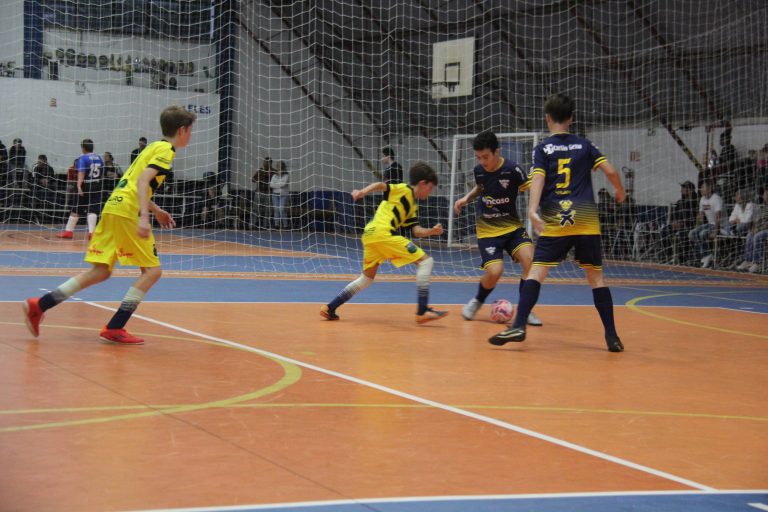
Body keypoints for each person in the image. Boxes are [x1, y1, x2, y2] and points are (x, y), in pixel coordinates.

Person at [23, 105, 196, 345]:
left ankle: (41, 305)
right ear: (182, 130)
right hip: (127, 212)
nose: (191, 135)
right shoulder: (166, 150)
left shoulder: (153, 146)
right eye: (191, 130)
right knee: (153, 272)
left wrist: (156, 210)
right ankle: (115, 326)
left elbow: (134, 183)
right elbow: (143, 180)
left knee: (101, 271)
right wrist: (144, 217)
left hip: (113, 206)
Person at [488, 93, 626, 352]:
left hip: (555, 218)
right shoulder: (585, 145)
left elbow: (538, 179)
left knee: (537, 272)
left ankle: (519, 325)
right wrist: (620, 191)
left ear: (547, 118)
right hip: (585, 220)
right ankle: (612, 336)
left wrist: (532, 210)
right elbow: (610, 170)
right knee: (596, 277)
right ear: (571, 118)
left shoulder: (543, 149)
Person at [320, 161, 448, 324]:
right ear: (422, 183)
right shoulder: (404, 189)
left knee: (366, 279)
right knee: (426, 262)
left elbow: (416, 231)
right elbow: (381, 185)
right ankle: (422, 311)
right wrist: (362, 192)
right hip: (383, 233)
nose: (430, 192)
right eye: (430, 188)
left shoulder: (411, 206)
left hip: (370, 234)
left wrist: (431, 231)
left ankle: (330, 308)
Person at [453, 131, 542, 326]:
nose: (482, 161)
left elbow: (532, 186)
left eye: (485, 157)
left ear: (497, 152)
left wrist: (539, 209)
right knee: (495, 271)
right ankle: (477, 301)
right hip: (488, 231)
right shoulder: (479, 171)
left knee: (531, 261)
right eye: (478, 157)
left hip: (512, 227)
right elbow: (480, 187)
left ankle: (525, 310)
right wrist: (466, 198)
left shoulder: (512, 169)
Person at [56, 139, 105, 240]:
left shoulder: (82, 158)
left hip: (85, 186)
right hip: (96, 186)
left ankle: (68, 232)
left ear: (83, 148)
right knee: (93, 210)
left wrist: (78, 186)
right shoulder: (99, 158)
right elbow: (102, 173)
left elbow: (81, 173)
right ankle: (91, 233)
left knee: (76, 208)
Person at [659, 181, 699, 263]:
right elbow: (674, 215)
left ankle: (683, 258)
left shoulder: (695, 202)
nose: (681, 190)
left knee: (682, 234)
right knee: (664, 231)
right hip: (678, 225)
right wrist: (674, 223)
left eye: (684, 188)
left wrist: (682, 223)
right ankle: (669, 256)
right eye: (682, 188)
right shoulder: (680, 202)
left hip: (689, 225)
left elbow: (695, 217)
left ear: (690, 190)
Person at [688, 181, 723, 268]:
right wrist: (696, 227)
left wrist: (716, 231)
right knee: (692, 233)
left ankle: (706, 256)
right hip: (709, 224)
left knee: (702, 233)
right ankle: (703, 256)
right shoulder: (702, 199)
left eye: (703, 187)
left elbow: (718, 216)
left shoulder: (716, 198)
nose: (701, 189)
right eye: (701, 188)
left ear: (709, 189)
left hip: (720, 225)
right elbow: (700, 215)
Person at [736, 188, 768, 273]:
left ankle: (758, 262)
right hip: (763, 229)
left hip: (765, 230)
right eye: (764, 194)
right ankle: (748, 260)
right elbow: (759, 220)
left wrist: (758, 229)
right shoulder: (764, 207)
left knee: (757, 236)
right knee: (750, 234)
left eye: (765, 194)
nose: (763, 196)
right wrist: (754, 228)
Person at [251, 156, 274, 228]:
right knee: (255, 209)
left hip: (268, 193)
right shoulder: (260, 170)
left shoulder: (273, 171)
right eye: (264, 162)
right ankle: (253, 224)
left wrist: (268, 176)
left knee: (268, 210)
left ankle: (266, 225)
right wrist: (259, 178)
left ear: (270, 163)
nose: (265, 163)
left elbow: (275, 182)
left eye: (267, 162)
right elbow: (253, 179)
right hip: (259, 192)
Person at [269, 160, 290, 229]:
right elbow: (271, 185)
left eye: (280, 166)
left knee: (282, 209)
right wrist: (279, 184)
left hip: (283, 195)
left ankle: (285, 225)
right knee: (276, 209)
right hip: (275, 194)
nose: (279, 168)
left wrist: (276, 184)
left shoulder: (286, 175)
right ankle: (276, 225)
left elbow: (284, 184)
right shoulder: (274, 175)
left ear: (283, 167)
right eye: (278, 166)